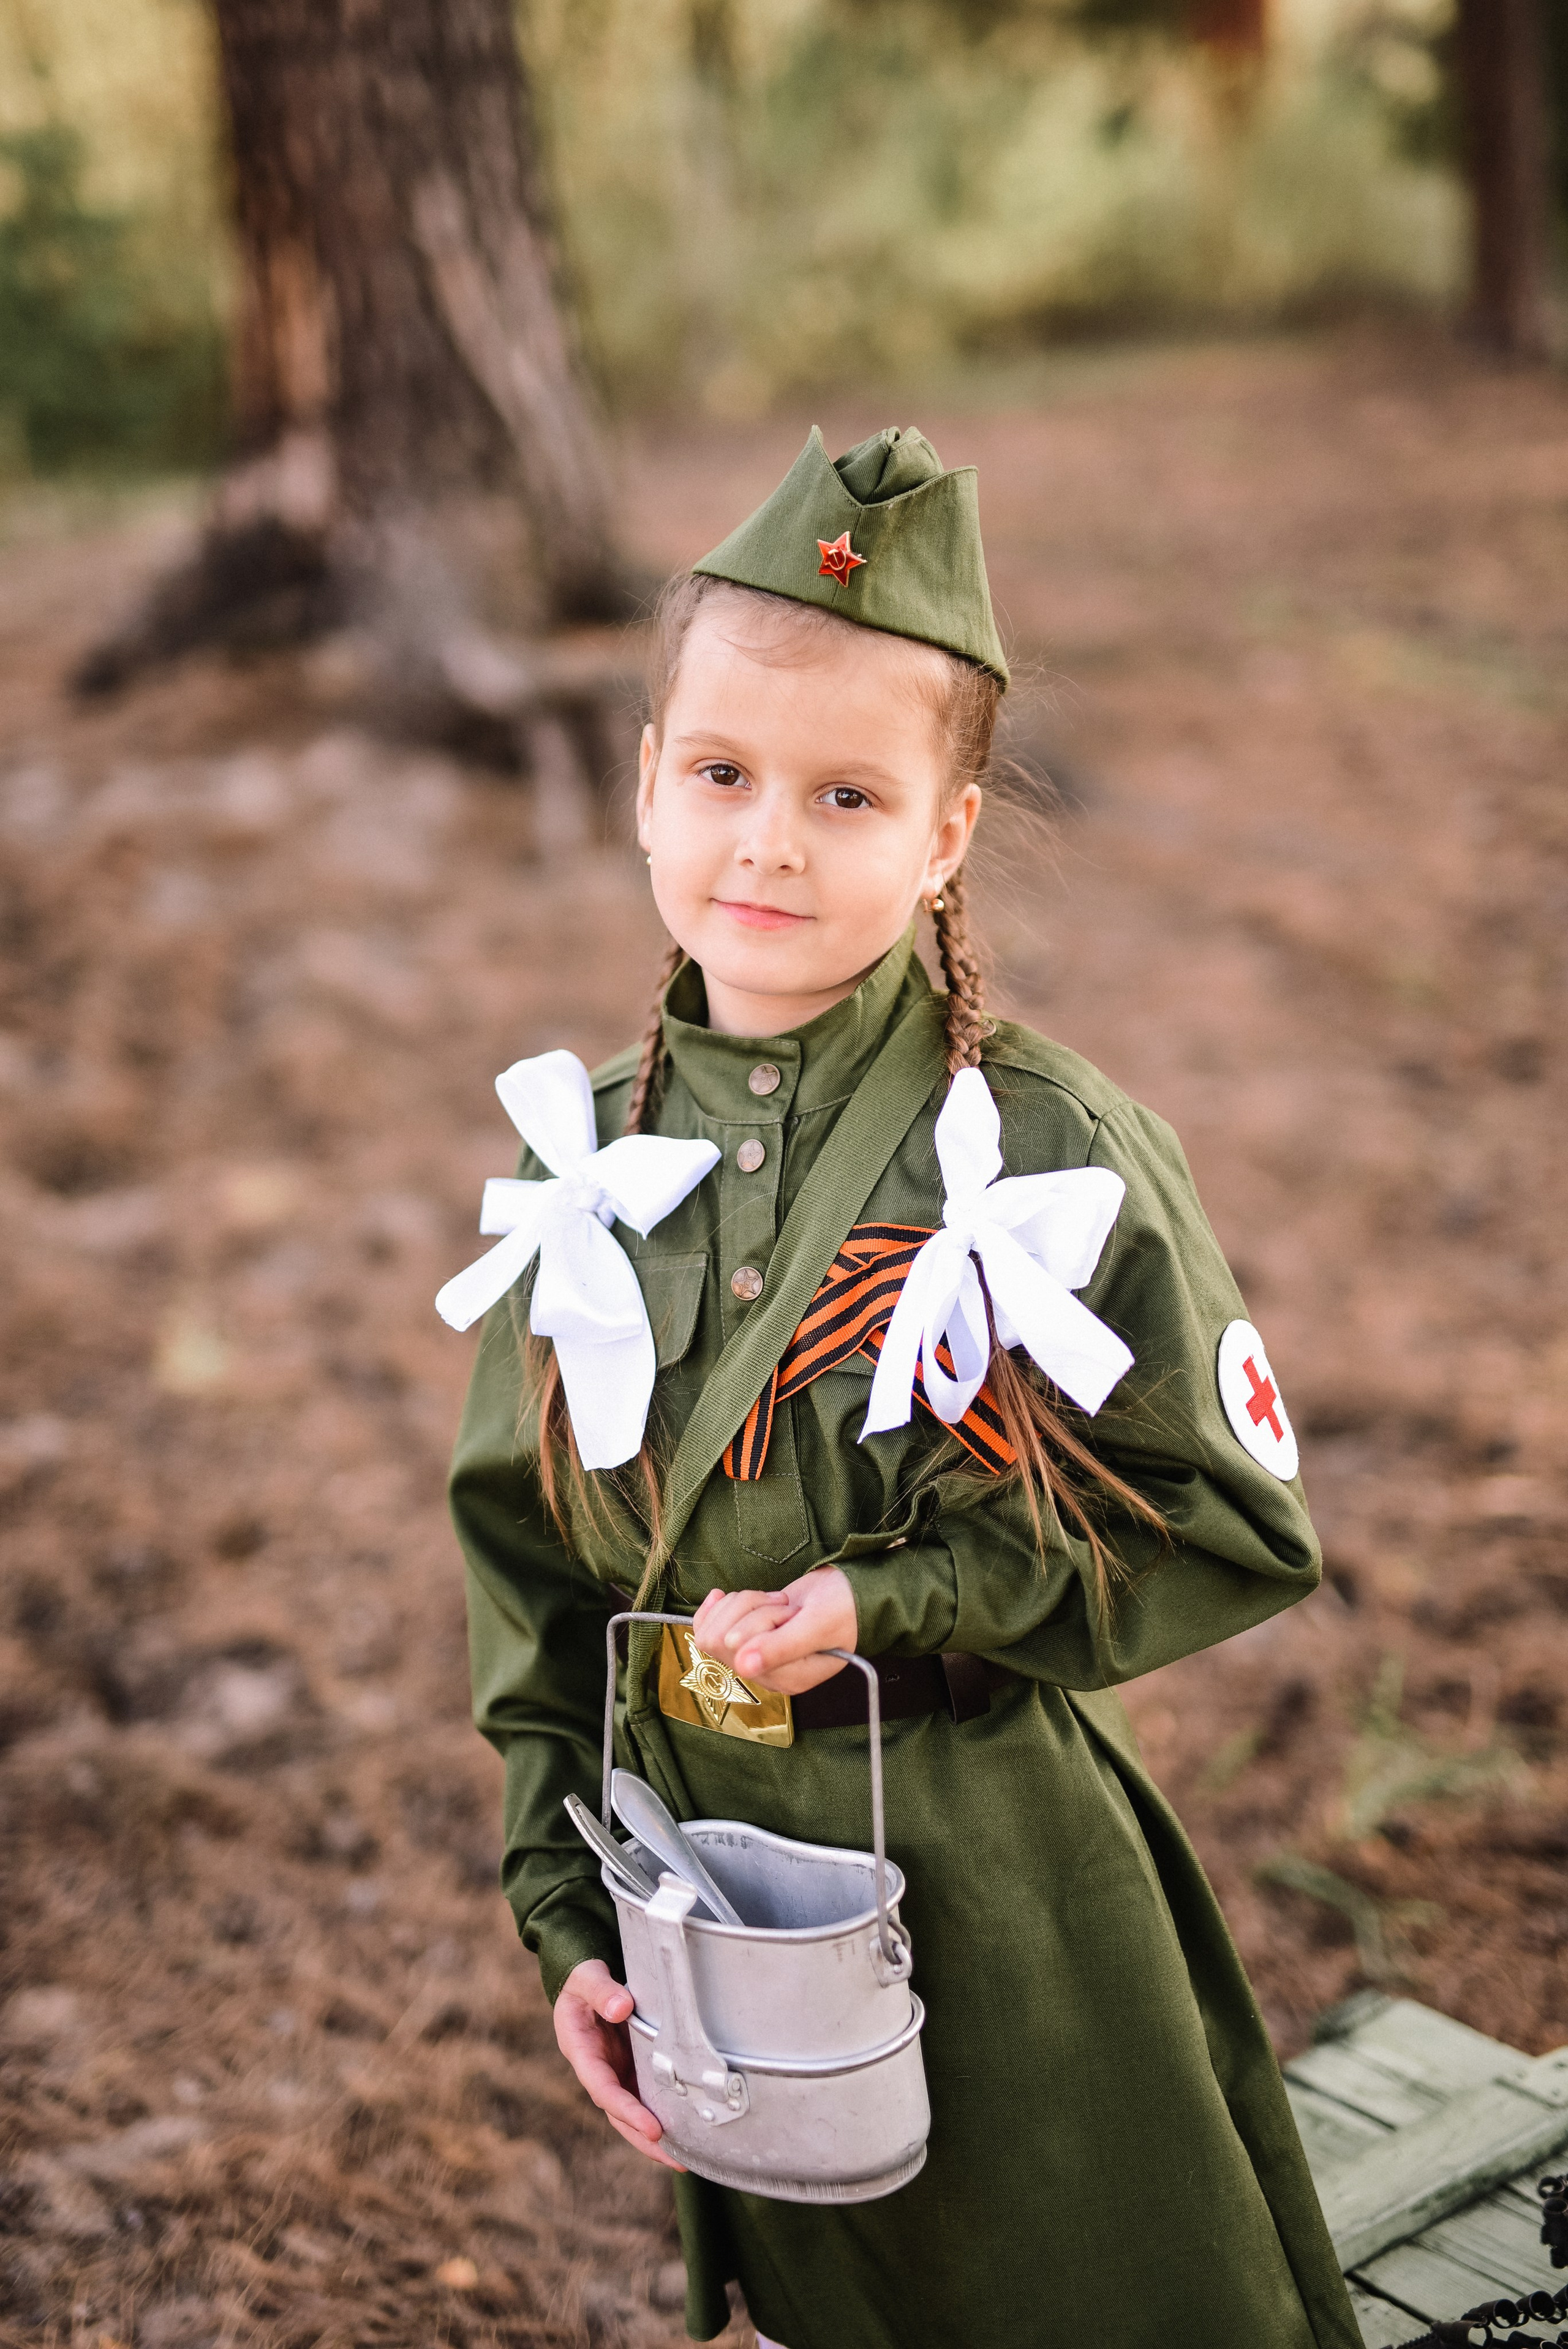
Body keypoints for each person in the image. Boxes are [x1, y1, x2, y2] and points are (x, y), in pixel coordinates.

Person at [446, 424, 1362, 2349]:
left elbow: (1238, 1518)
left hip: (1011, 1909)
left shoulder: (1044, 1150)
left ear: (945, 831)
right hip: (717, 1911)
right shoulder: (577, 1165)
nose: (767, 839)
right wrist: (568, 1912)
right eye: (720, 773)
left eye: (847, 792)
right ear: (643, 786)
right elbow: (533, 1570)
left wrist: (899, 1598)